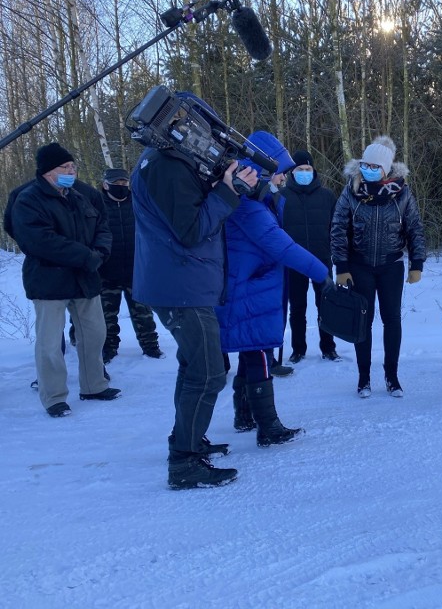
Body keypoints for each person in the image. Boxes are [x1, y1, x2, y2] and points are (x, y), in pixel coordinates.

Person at [132, 91, 257, 490]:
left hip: (181, 282)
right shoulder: (166, 166)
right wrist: (228, 192)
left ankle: (187, 440)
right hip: (180, 286)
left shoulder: (164, 161)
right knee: (209, 372)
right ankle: (184, 462)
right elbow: (190, 230)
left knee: (194, 368)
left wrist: (223, 186)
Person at [216, 131, 331, 444]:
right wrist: (322, 274)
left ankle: (244, 415)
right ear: (262, 172)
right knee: (261, 355)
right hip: (250, 290)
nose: (284, 179)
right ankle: (269, 426)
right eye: (280, 173)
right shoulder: (248, 207)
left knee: (253, 354)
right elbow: (283, 247)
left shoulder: (255, 200)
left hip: (250, 287)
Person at [10, 142, 121, 417]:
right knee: (49, 344)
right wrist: (85, 255)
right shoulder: (28, 199)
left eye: (73, 166)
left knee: (95, 334)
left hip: (85, 279)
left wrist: (100, 253)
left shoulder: (79, 196)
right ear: (48, 171)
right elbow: (39, 240)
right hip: (49, 280)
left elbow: (102, 226)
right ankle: (55, 397)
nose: (71, 171)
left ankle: (94, 385)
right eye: (65, 167)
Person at [331, 136, 426, 398]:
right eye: (365, 165)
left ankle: (392, 376)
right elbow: (339, 228)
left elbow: (414, 228)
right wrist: (341, 266)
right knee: (364, 321)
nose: (368, 170)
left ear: (385, 169)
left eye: (374, 166)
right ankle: (363, 377)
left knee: (392, 320)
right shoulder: (351, 191)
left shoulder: (402, 193)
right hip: (359, 266)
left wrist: (417, 262)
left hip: (391, 266)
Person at [98, 168, 163, 362]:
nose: (120, 187)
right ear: (105, 184)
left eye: (123, 184)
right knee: (106, 316)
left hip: (136, 271)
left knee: (143, 314)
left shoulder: (138, 203)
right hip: (107, 271)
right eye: (116, 184)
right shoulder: (97, 205)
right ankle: (108, 349)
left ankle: (151, 347)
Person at [280, 149, 339, 364]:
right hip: (293, 262)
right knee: (297, 308)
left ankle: (328, 347)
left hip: (321, 260)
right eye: (299, 169)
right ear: (292, 172)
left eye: (307, 169)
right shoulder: (281, 198)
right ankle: (298, 349)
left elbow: (337, 228)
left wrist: (334, 251)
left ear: (313, 171)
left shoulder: (327, 196)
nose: (304, 172)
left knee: (325, 305)